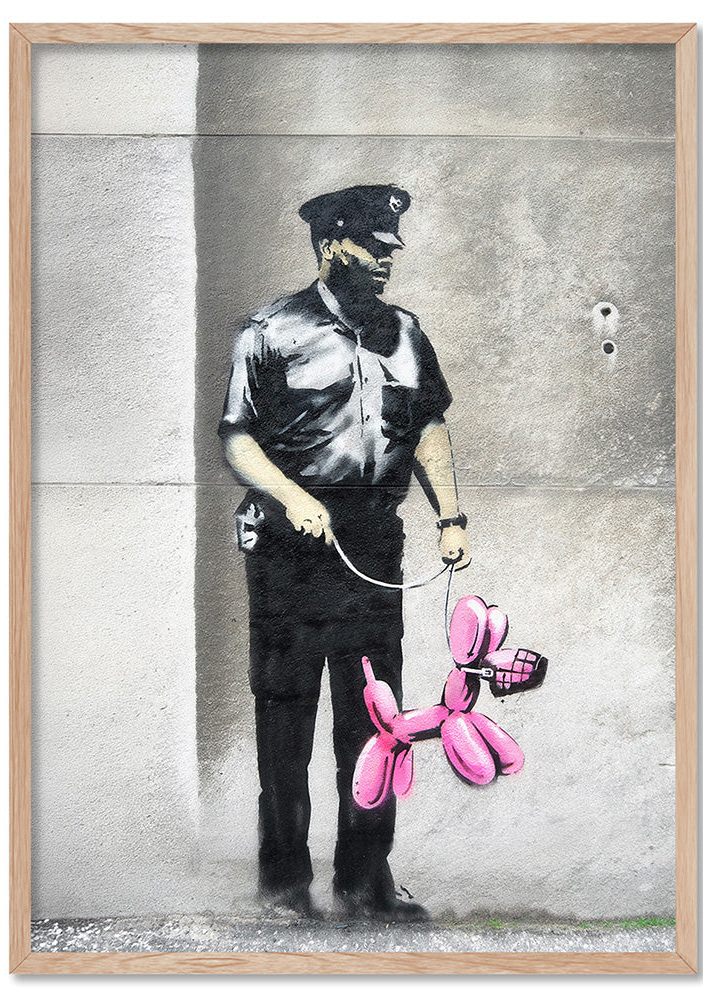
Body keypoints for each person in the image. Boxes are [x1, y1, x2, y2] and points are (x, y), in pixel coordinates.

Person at [219, 184, 470, 922]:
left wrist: (450, 515)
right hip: (290, 547)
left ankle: (366, 881)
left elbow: (427, 426)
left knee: (375, 718)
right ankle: (283, 887)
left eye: (393, 247)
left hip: (372, 544)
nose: (389, 258)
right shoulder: (270, 330)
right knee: (286, 716)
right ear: (332, 245)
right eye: (373, 246)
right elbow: (237, 436)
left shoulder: (405, 332)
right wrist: (290, 496)